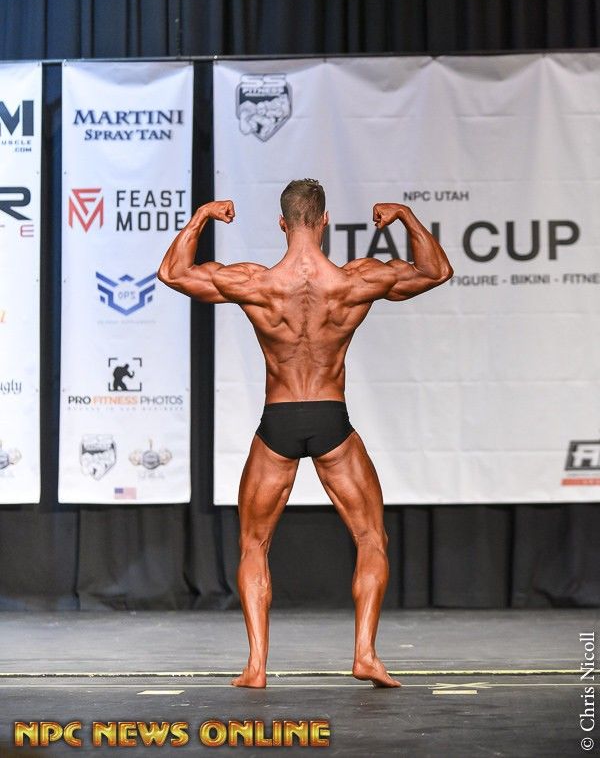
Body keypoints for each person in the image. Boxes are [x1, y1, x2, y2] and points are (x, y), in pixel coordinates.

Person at [158, 179, 453, 688]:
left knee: (254, 543)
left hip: (279, 420)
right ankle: (365, 655)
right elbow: (436, 271)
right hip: (330, 418)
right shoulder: (354, 281)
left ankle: (256, 666)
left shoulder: (256, 282)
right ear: (325, 221)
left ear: (282, 223)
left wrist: (203, 215)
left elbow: (172, 273)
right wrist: (405, 216)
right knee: (371, 537)